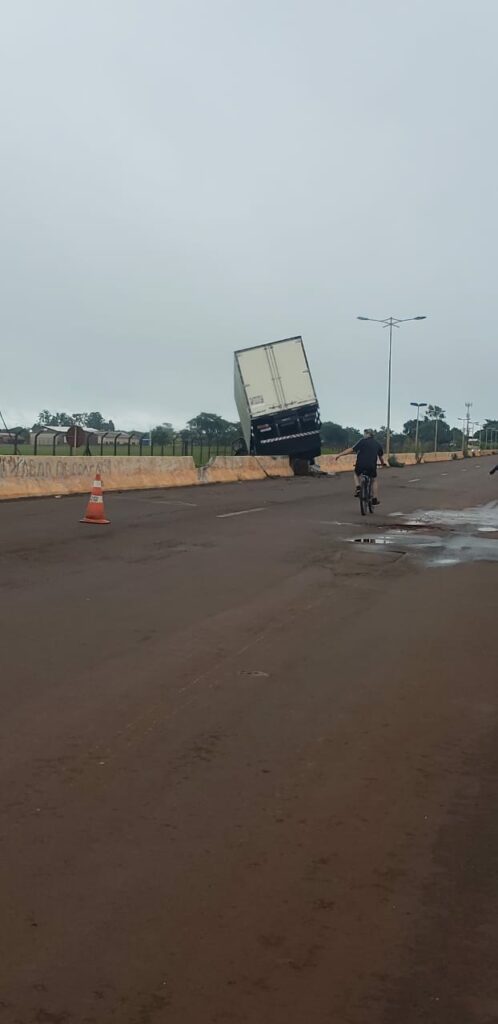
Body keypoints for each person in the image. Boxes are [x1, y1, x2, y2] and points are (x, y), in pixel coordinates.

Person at [335, 429, 387, 505]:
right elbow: (381, 457)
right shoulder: (378, 444)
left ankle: (358, 488)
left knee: (356, 474)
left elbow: (351, 450)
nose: (363, 435)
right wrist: (383, 464)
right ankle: (375, 499)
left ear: (368, 434)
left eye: (364, 433)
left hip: (360, 464)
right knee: (373, 480)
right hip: (371, 466)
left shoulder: (362, 441)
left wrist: (340, 454)